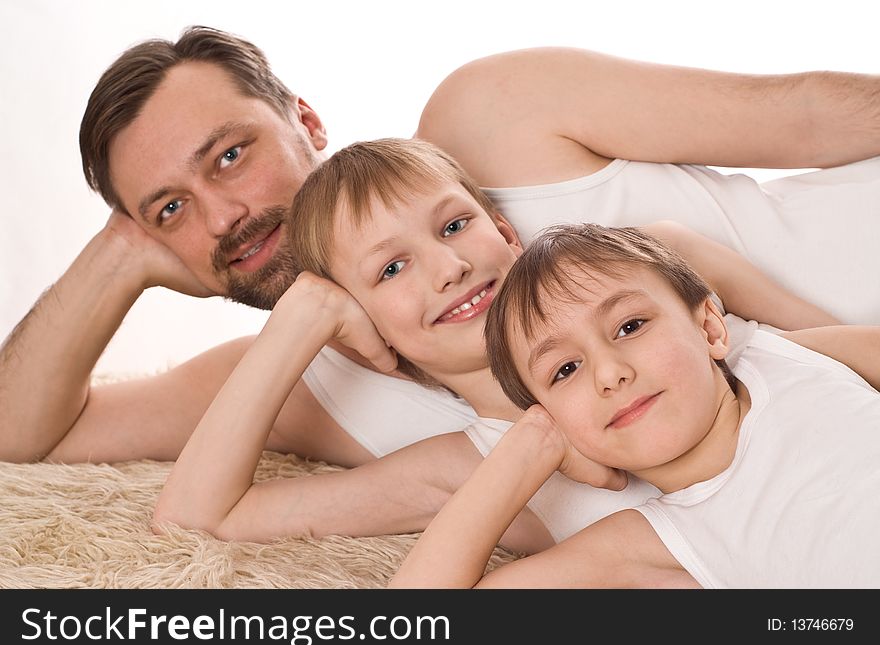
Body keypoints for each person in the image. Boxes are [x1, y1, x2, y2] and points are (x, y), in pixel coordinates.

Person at [1, 25, 878, 467]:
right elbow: (21, 432)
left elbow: (800, 111)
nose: (225, 213)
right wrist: (126, 248)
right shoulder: (301, 379)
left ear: (305, 120)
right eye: (171, 208)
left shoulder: (490, 114)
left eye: (232, 155)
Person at [154, 138, 841, 557]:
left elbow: (832, 354)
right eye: (390, 270)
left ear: (506, 234)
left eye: (454, 225)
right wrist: (302, 316)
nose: (447, 267)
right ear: (365, 324)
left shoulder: (657, 265)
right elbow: (196, 516)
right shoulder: (467, 465)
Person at [388, 224, 880, 588]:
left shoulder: (793, 357)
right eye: (565, 370)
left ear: (710, 328)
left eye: (630, 327)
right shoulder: (650, 543)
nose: (610, 374)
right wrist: (527, 446)